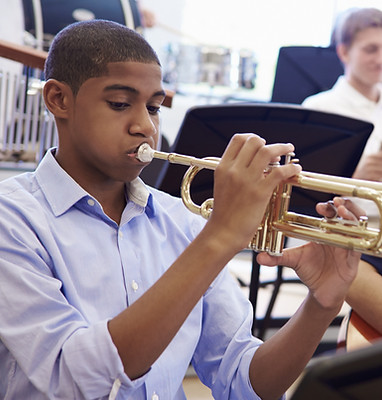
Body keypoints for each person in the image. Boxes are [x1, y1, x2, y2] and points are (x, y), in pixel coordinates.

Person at [0, 20, 362, 400]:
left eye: (154, 107)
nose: (145, 126)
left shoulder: (180, 221)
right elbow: (76, 380)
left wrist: (321, 304)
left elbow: (243, 380)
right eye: (120, 104)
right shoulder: (14, 219)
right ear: (58, 99)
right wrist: (220, 237)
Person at [303, 8, 382, 186]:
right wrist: (357, 178)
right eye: (371, 50)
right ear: (344, 52)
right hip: (347, 213)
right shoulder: (318, 108)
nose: (380, 59)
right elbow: (307, 193)